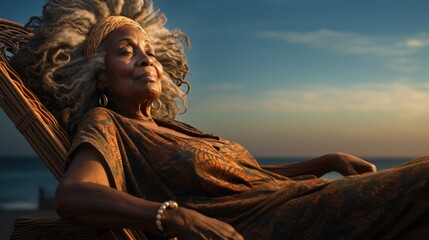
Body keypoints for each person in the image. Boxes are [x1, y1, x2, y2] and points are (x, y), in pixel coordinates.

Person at [10, 0, 429, 239]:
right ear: (100, 74)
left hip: (292, 199)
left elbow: (245, 179)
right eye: (126, 52)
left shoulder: (172, 130)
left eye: (149, 50)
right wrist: (171, 215)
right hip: (271, 227)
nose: (146, 59)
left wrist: (325, 161)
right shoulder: (109, 124)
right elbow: (73, 196)